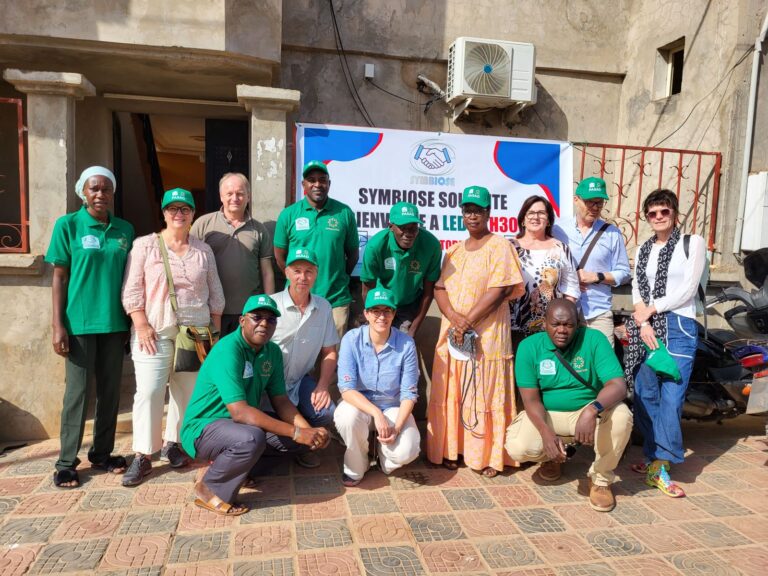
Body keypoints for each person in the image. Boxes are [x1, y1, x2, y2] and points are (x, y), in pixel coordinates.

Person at [181, 294, 330, 516]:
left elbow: (280, 400)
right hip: (204, 427)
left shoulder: (272, 352)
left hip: (241, 426)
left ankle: (233, 469)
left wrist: (307, 431)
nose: (264, 324)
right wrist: (296, 431)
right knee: (251, 438)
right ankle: (210, 489)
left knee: (296, 443)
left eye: (271, 320)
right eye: (257, 317)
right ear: (242, 321)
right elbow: (239, 412)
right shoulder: (228, 349)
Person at [121, 188, 225, 486]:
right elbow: (132, 289)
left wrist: (213, 332)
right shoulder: (146, 246)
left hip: (195, 333)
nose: (178, 214)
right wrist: (140, 323)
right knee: (150, 391)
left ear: (193, 214)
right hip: (154, 330)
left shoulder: (203, 250)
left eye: (185, 209)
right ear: (164, 213)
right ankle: (143, 454)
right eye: (172, 209)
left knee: (185, 392)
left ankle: (173, 443)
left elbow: (215, 293)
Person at [426, 185, 524, 478]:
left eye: (478, 210)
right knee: (456, 385)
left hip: (489, 334)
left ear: (488, 213)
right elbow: (439, 287)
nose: (472, 215)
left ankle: (488, 456)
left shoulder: (500, 246)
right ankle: (453, 448)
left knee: (483, 388)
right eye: (467, 210)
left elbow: (500, 289)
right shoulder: (453, 251)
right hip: (454, 333)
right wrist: (455, 318)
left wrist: (466, 321)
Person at [46, 166, 135, 488]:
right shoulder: (68, 225)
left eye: (106, 189)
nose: (100, 195)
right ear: (83, 191)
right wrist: (58, 325)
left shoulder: (124, 229)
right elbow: (58, 277)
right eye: (94, 189)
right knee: (78, 394)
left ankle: (101, 452)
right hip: (80, 324)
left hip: (114, 324)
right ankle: (66, 462)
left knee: (110, 392)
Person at [505, 299, 632, 512]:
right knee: (518, 447)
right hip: (548, 414)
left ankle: (601, 480)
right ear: (544, 323)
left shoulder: (594, 340)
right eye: (555, 324)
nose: (562, 330)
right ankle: (552, 458)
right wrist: (546, 433)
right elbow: (531, 400)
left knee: (622, 416)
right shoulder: (529, 347)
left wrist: (592, 410)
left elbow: (618, 385)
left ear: (578, 324)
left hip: (587, 413)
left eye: (569, 325)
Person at [624, 188, 706, 497]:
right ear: (647, 217)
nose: (658, 217)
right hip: (648, 328)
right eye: (652, 213)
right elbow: (636, 289)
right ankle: (652, 456)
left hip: (679, 327)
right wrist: (643, 321)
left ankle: (660, 466)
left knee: (671, 400)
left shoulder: (691, 243)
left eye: (664, 211)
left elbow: (688, 288)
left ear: (674, 213)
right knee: (645, 395)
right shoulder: (644, 248)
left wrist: (653, 309)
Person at [334, 288, 421, 486]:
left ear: (394, 313)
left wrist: (397, 429)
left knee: (407, 450)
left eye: (387, 311)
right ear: (366, 314)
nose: (381, 316)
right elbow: (346, 389)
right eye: (375, 311)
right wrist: (376, 414)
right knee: (346, 417)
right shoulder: (351, 339)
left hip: (392, 406)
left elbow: (409, 393)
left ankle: (384, 457)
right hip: (360, 406)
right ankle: (358, 465)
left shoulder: (406, 344)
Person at [271, 247, 339, 468]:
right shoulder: (271, 305)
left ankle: (306, 446)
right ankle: (298, 442)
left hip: (300, 380)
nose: (303, 277)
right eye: (297, 271)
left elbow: (329, 351)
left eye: (309, 271)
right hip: (269, 386)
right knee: (263, 434)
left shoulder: (324, 307)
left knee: (326, 411)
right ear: (287, 272)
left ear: (316, 274)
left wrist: (322, 385)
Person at [274, 160, 359, 338]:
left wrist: (338, 277)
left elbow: (352, 254)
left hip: (335, 300)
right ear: (303, 184)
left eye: (322, 180)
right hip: (297, 300)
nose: (317, 184)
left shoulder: (344, 213)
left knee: (333, 357)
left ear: (329, 183)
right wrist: (296, 279)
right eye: (311, 180)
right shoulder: (288, 214)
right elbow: (279, 255)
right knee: (301, 357)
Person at [190, 172, 275, 335]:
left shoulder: (259, 229)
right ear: (221, 196)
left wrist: (267, 306)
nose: (235, 198)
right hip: (210, 311)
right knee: (215, 358)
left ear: (248, 196)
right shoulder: (203, 224)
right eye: (229, 193)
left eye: (240, 193)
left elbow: (266, 272)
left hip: (249, 312)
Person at [555, 177, 630, 347]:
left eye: (599, 203)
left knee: (604, 367)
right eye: (590, 202)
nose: (595, 208)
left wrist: (596, 276)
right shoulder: (558, 229)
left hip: (598, 312)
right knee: (566, 365)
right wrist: (570, 279)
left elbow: (624, 272)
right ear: (576, 200)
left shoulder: (612, 233)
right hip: (563, 311)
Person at [360, 202, 442, 336]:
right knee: (379, 339)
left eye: (413, 227)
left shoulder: (431, 245)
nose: (408, 233)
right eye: (402, 227)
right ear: (391, 227)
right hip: (381, 302)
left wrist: (414, 329)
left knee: (403, 344)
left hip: (410, 303)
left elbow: (428, 292)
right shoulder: (375, 246)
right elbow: (367, 289)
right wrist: (372, 316)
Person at [510, 195, 579, 342]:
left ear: (548, 220)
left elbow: (571, 287)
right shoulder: (509, 247)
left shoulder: (560, 248)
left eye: (541, 213)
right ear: (523, 219)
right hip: (513, 326)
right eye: (531, 213)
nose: (536, 217)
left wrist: (563, 319)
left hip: (550, 329)